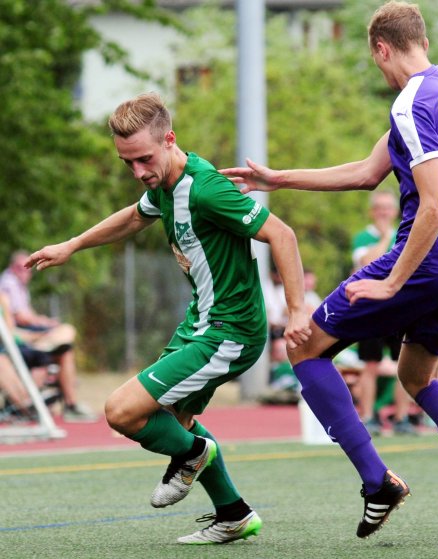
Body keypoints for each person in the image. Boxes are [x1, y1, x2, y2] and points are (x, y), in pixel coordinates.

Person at [221, 1, 438, 543]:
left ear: (382, 49)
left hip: (427, 259)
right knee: (416, 376)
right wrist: (278, 178)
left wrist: (390, 282)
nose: (380, 73)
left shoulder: (410, 105)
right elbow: (367, 173)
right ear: (422, 42)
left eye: (376, 62)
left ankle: (377, 483)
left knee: (303, 345)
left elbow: (433, 208)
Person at [25, 92, 311, 545]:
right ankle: (233, 513)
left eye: (143, 159)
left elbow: (282, 233)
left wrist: (297, 311)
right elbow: (134, 217)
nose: (138, 172)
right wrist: (73, 245)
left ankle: (195, 455)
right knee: (177, 423)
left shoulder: (206, 188)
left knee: (122, 411)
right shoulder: (162, 183)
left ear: (170, 139)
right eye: (127, 163)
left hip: (229, 332)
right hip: (199, 324)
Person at [0, 250, 96, 422]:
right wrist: (41, 329)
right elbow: (16, 325)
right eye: (21, 268)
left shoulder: (15, 290)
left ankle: (70, 405)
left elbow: (20, 320)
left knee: (65, 348)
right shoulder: (8, 285)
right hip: (17, 344)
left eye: (27, 269)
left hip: (25, 341)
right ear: (13, 268)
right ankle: (27, 404)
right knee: (64, 333)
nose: (25, 273)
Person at [351, 190, 416, 436]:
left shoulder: (406, 234)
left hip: (398, 308)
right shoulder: (362, 237)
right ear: (372, 211)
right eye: (379, 208)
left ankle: (402, 418)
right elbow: (367, 262)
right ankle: (368, 417)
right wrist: (387, 235)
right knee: (370, 365)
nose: (384, 212)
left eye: (388, 208)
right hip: (370, 308)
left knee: (404, 364)